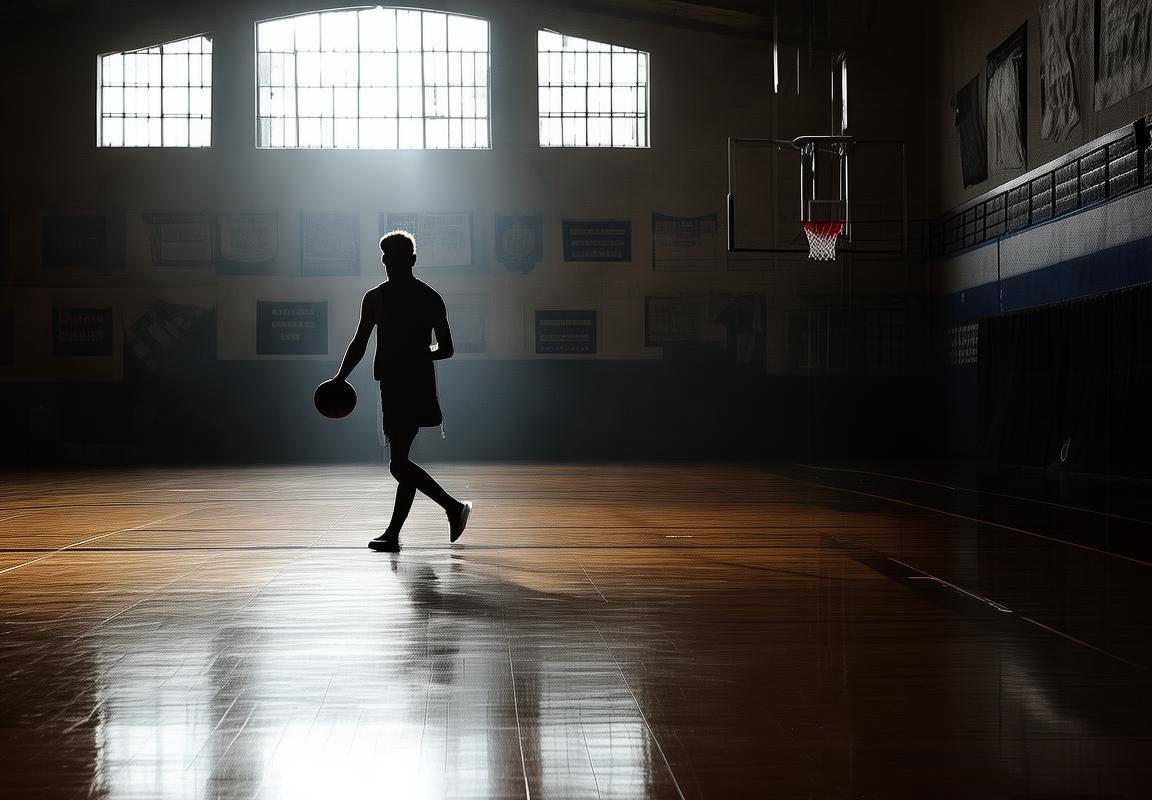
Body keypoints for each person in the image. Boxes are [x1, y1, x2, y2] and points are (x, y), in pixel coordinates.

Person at [333, 230, 471, 552]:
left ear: (410, 260)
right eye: (385, 258)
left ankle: (452, 507)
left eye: (393, 257)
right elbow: (361, 344)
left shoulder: (406, 298)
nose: (388, 262)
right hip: (403, 384)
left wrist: (415, 355)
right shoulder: (403, 297)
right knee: (402, 461)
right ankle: (395, 533)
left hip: (407, 385)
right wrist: (341, 376)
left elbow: (446, 348)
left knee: (398, 464)